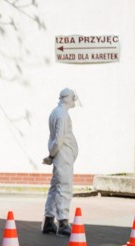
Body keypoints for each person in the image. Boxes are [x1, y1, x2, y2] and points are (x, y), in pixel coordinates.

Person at [42, 87, 80, 237]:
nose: (74, 101)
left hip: (60, 155)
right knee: (64, 187)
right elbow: (58, 139)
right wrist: (52, 155)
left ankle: (49, 221)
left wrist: (51, 155)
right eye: (73, 98)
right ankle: (63, 222)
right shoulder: (63, 114)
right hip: (62, 155)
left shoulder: (55, 112)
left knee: (55, 187)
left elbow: (54, 138)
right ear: (67, 98)